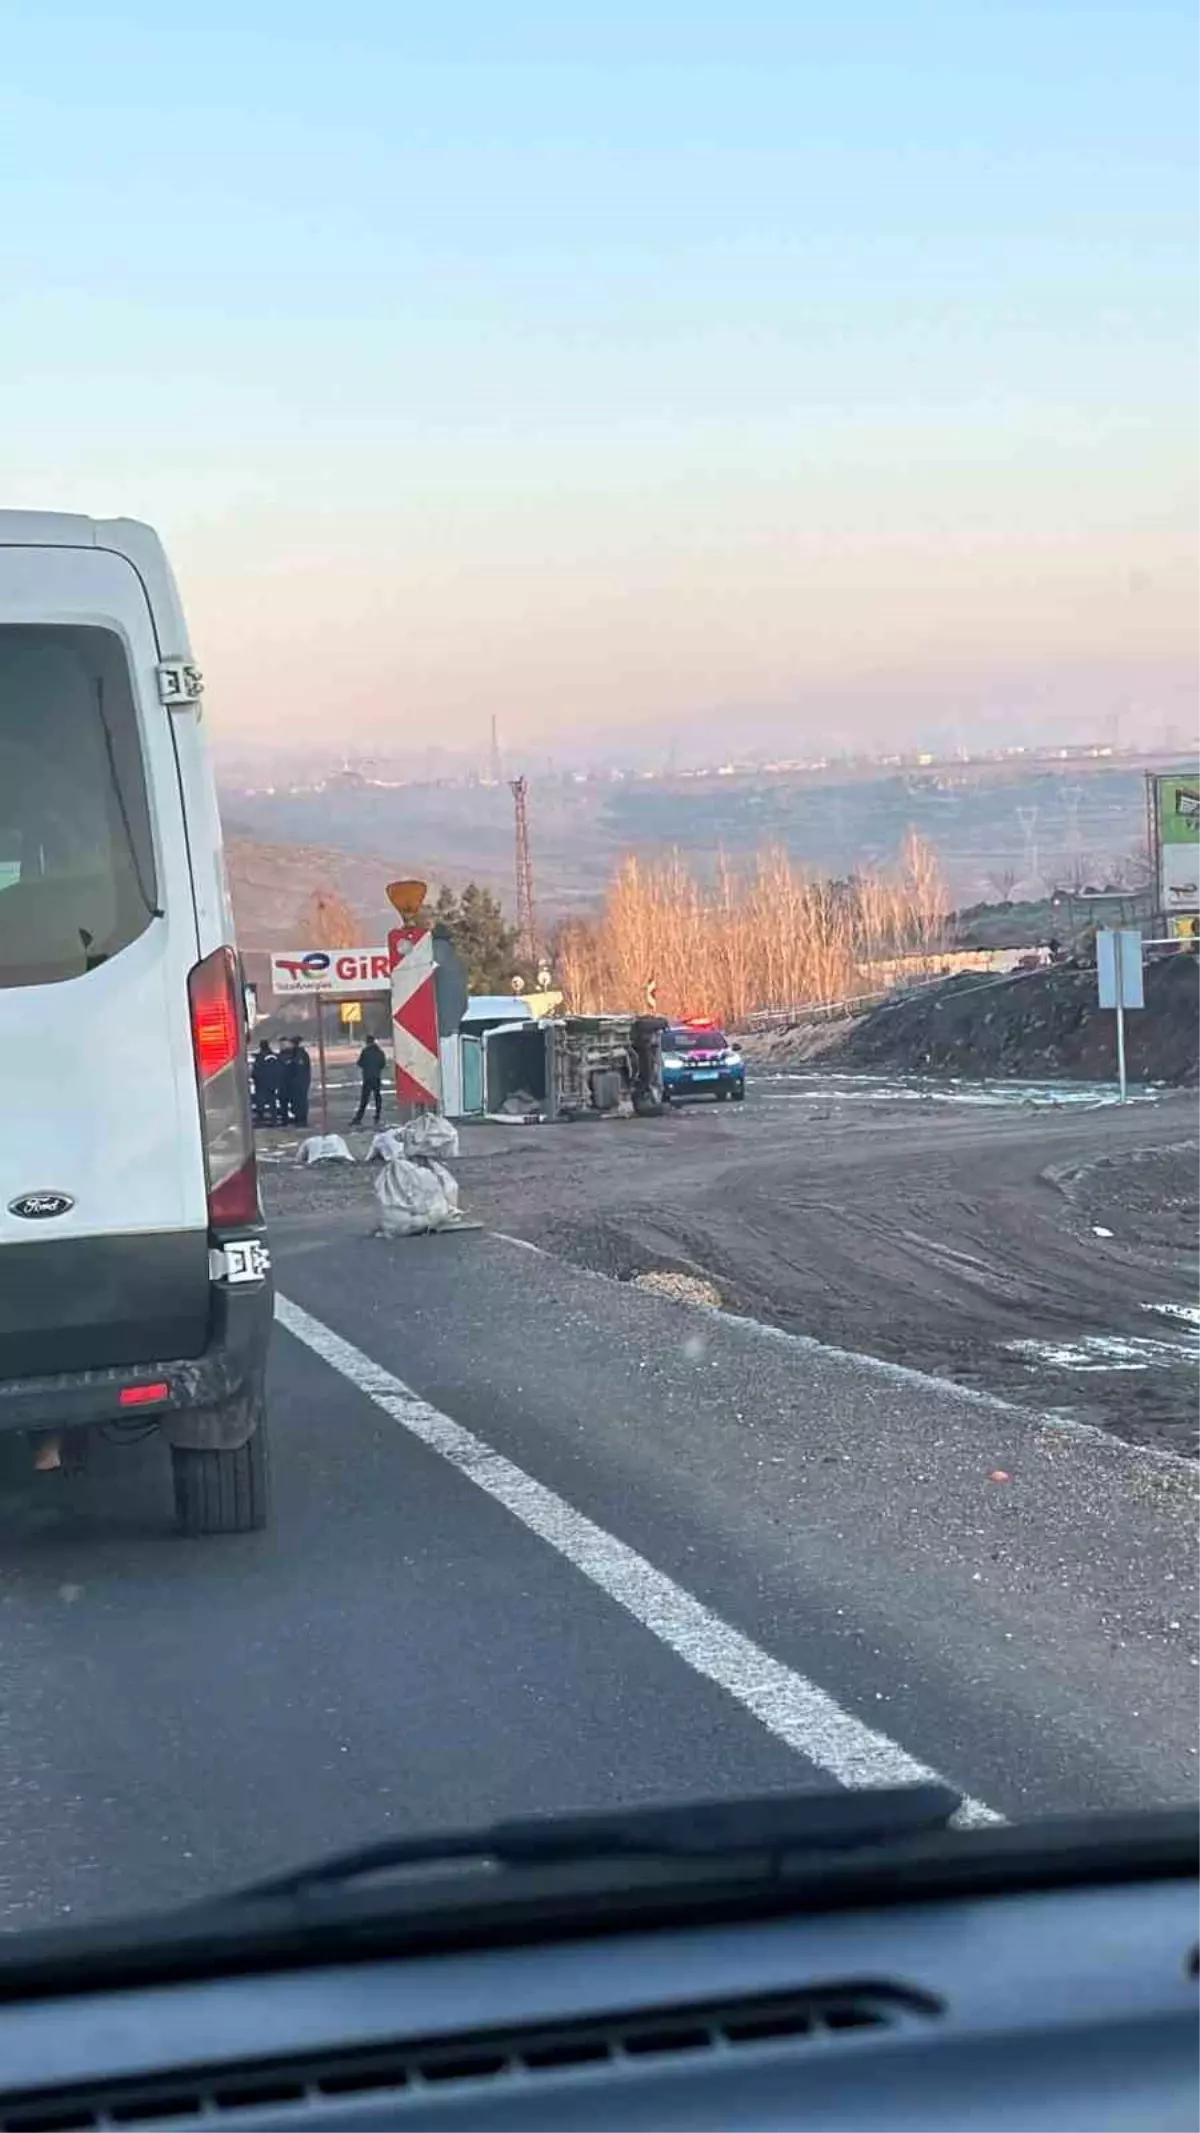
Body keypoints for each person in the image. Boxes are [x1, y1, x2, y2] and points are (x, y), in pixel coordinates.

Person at [352, 1033, 387, 1127]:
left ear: (367, 1042)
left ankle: (358, 1118)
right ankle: (377, 1116)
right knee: (377, 1098)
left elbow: (360, 1063)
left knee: (364, 1099)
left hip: (367, 1078)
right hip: (376, 1077)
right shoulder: (380, 1052)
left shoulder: (365, 1051)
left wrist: (366, 1067)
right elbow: (383, 1064)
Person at [279, 1035, 312, 1127]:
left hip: (299, 1083)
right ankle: (298, 1118)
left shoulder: (300, 1054)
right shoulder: (291, 1053)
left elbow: (299, 1068)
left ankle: (301, 1120)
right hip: (292, 1083)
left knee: (300, 1102)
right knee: (295, 1102)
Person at [250, 1038, 279, 1125]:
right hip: (271, 1084)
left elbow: (256, 1070)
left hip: (261, 1084)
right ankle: (273, 1119)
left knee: (261, 1102)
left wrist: (254, 1077)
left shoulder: (260, 1057)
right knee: (271, 1102)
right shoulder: (273, 1056)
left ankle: (261, 1118)